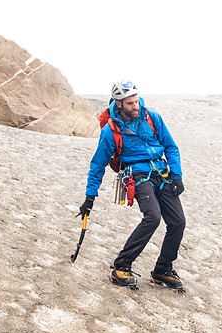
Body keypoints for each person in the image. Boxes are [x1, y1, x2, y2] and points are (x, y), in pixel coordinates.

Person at [79, 79, 186, 289]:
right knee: (153, 217)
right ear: (118, 104)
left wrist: (177, 175)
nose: (135, 106)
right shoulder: (111, 130)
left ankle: (162, 270)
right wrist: (90, 196)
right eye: (130, 103)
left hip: (162, 174)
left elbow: (171, 147)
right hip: (137, 176)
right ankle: (121, 266)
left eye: (136, 101)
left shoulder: (151, 117)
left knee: (178, 222)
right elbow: (97, 164)